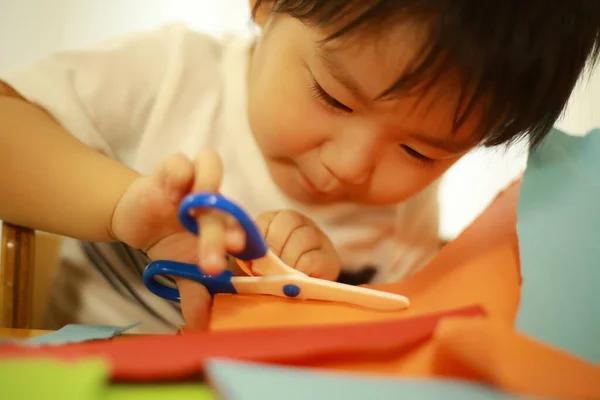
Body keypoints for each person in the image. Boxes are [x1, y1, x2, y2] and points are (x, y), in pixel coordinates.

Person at [0, 0, 598, 333]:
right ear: (266, 5)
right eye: (333, 98)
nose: (350, 166)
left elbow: (385, 349)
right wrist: (123, 207)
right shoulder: (170, 76)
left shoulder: (404, 212)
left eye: (420, 151)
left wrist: (324, 301)